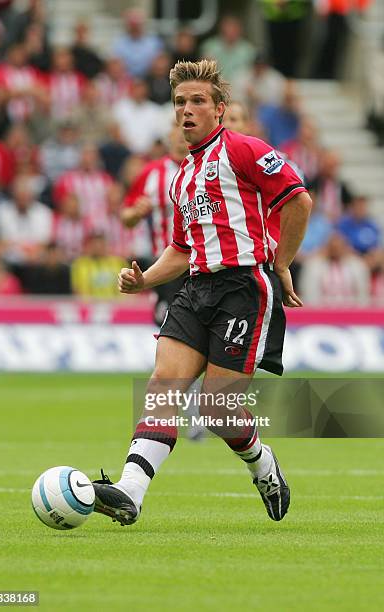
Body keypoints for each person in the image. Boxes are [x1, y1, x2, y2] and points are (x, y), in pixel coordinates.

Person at [92, 59, 312, 526]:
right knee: (162, 386)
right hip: (195, 288)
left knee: (218, 408)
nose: (186, 110)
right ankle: (130, 491)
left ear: (219, 109)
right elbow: (179, 247)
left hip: (243, 288)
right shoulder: (181, 178)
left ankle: (263, 465)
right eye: (179, 102)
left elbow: (298, 199)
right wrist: (144, 280)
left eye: (197, 101)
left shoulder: (245, 150)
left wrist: (281, 263)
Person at [121, 122, 189, 324]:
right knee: (168, 325)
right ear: (169, 134)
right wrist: (135, 213)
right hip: (165, 263)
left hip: (201, 264)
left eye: (185, 129)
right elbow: (126, 217)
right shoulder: (152, 172)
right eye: (176, 129)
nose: (180, 134)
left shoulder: (205, 168)